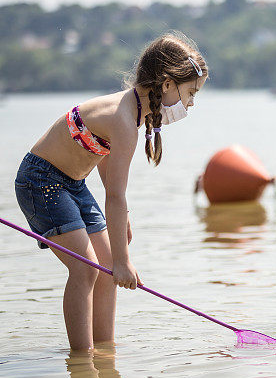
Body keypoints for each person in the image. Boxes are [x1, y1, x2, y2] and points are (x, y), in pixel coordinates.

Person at [14, 32, 208, 350]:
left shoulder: (130, 114)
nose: (190, 103)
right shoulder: (123, 120)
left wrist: (121, 230)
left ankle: (105, 356)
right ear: (169, 84)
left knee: (104, 271)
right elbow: (115, 197)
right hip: (41, 182)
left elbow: (102, 159)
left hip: (73, 185)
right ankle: (83, 360)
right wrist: (124, 260)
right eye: (191, 92)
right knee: (86, 269)